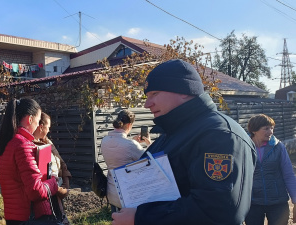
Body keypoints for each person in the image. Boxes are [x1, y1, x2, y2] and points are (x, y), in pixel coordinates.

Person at [112, 59, 257, 225]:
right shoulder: (175, 132)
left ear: (184, 91)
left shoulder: (218, 135)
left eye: (155, 94)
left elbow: (218, 211)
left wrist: (141, 217)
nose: (147, 104)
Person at [0, 98, 58, 225]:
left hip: (12, 215)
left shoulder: (7, 142)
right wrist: (54, 183)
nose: (37, 125)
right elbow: (35, 190)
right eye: (38, 119)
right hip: (26, 217)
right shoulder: (22, 144)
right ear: (30, 119)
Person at [244, 114, 296, 225]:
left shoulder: (278, 147)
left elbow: (288, 175)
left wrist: (295, 200)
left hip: (278, 202)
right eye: (266, 128)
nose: (271, 132)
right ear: (254, 130)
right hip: (252, 202)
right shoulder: (244, 147)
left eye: (272, 128)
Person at [101, 109, 151, 212]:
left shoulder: (104, 141)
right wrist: (148, 143)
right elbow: (149, 161)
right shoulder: (131, 145)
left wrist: (132, 141)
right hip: (129, 193)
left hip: (111, 190)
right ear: (129, 125)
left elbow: (119, 150)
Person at [33, 112, 72, 224]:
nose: (49, 130)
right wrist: (57, 188)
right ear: (41, 127)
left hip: (58, 187)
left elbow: (60, 160)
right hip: (48, 195)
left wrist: (66, 180)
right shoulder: (32, 146)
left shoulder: (47, 141)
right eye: (48, 127)